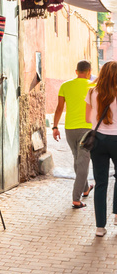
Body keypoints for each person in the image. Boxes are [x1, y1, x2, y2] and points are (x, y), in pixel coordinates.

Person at [52, 60, 94, 208]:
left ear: (76, 72)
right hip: (87, 129)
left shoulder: (65, 86)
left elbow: (59, 108)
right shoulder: (93, 86)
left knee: (78, 159)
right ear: (89, 71)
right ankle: (76, 199)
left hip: (69, 129)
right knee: (82, 162)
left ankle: (86, 188)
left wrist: (55, 127)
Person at [86, 61, 117, 237]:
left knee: (101, 182)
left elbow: (87, 117)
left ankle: (100, 227)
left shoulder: (92, 92)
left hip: (97, 140)